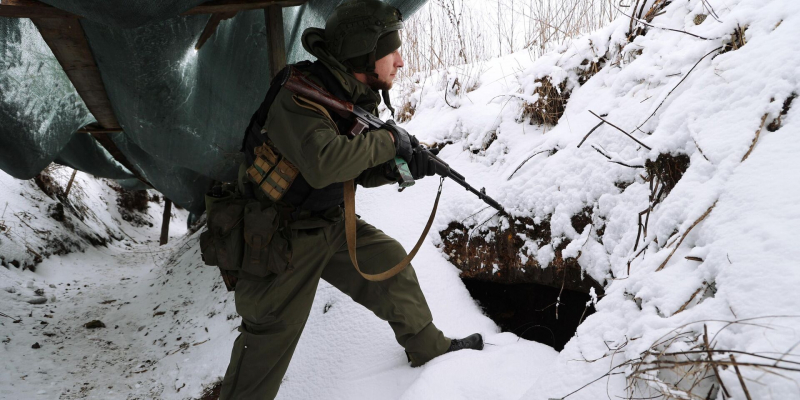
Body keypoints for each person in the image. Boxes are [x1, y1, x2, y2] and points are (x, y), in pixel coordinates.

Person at [219, 1, 483, 398]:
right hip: (281, 237)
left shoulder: (350, 96)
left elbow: (355, 167)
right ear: (363, 52)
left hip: (329, 222)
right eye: (390, 50)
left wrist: (404, 167)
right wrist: (390, 140)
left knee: (390, 262)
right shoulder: (299, 97)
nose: (400, 60)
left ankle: (429, 349)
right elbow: (325, 163)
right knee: (269, 337)